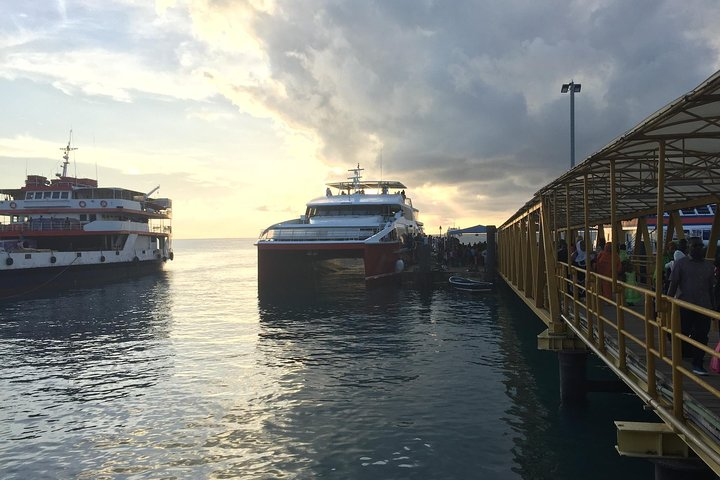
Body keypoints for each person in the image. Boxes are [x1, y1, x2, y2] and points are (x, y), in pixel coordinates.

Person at [667, 236, 716, 375]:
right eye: (695, 246)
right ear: (689, 247)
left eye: (700, 246)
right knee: (681, 331)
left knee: (701, 335)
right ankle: (684, 353)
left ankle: (698, 363)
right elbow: (673, 284)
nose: (699, 248)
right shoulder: (681, 264)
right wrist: (667, 303)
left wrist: (713, 307)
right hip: (685, 305)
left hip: (704, 306)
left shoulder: (709, 266)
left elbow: (711, 289)